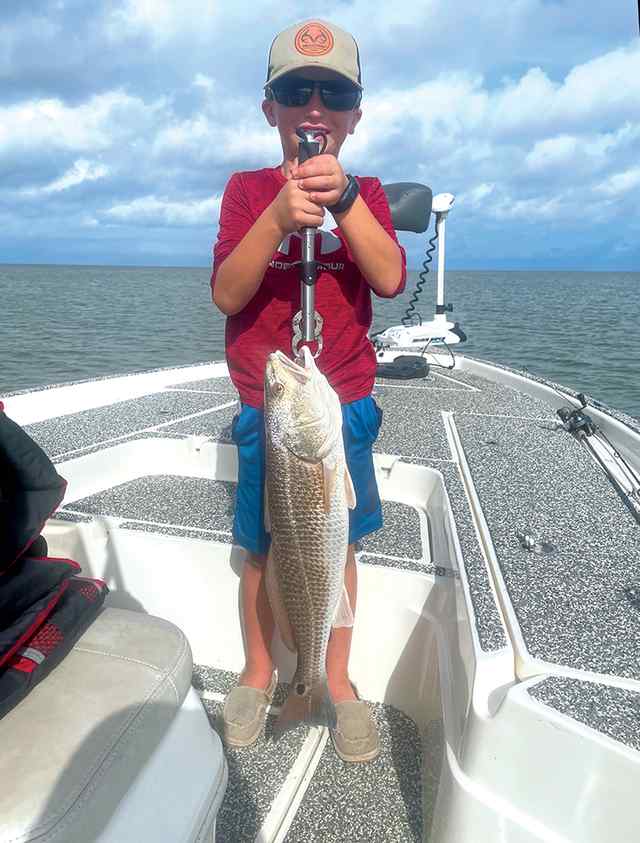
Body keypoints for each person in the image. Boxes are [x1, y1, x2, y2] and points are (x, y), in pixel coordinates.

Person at [210, 19, 406, 762]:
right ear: (270, 108)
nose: (314, 105)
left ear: (355, 113)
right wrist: (273, 216)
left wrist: (347, 200)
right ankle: (263, 672)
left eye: (335, 92)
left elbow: (388, 277)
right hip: (274, 411)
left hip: (339, 407)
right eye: (296, 90)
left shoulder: (370, 192)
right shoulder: (246, 191)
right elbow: (228, 294)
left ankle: (332, 678)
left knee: (338, 543)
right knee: (259, 548)